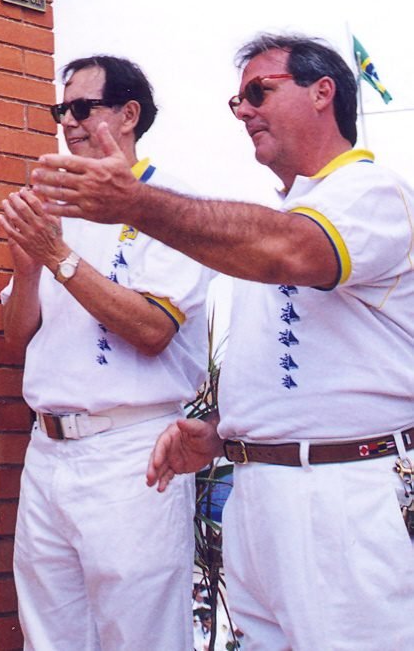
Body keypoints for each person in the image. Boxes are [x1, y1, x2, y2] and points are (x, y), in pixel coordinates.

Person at [31, 33, 414, 651]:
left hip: (346, 487)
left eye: (259, 92)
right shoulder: (282, 214)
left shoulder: (372, 193)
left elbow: (293, 250)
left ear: (323, 92)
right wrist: (220, 432)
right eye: (237, 100)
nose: (244, 111)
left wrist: (135, 202)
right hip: (260, 490)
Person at [0, 55, 212, 651]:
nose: (68, 121)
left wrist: (57, 257)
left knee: (139, 633)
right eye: (60, 109)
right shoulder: (54, 205)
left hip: (131, 452)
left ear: (128, 114)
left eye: (82, 107)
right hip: (47, 450)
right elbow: (17, 337)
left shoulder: (168, 203)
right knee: (49, 634)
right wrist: (29, 271)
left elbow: (152, 329)